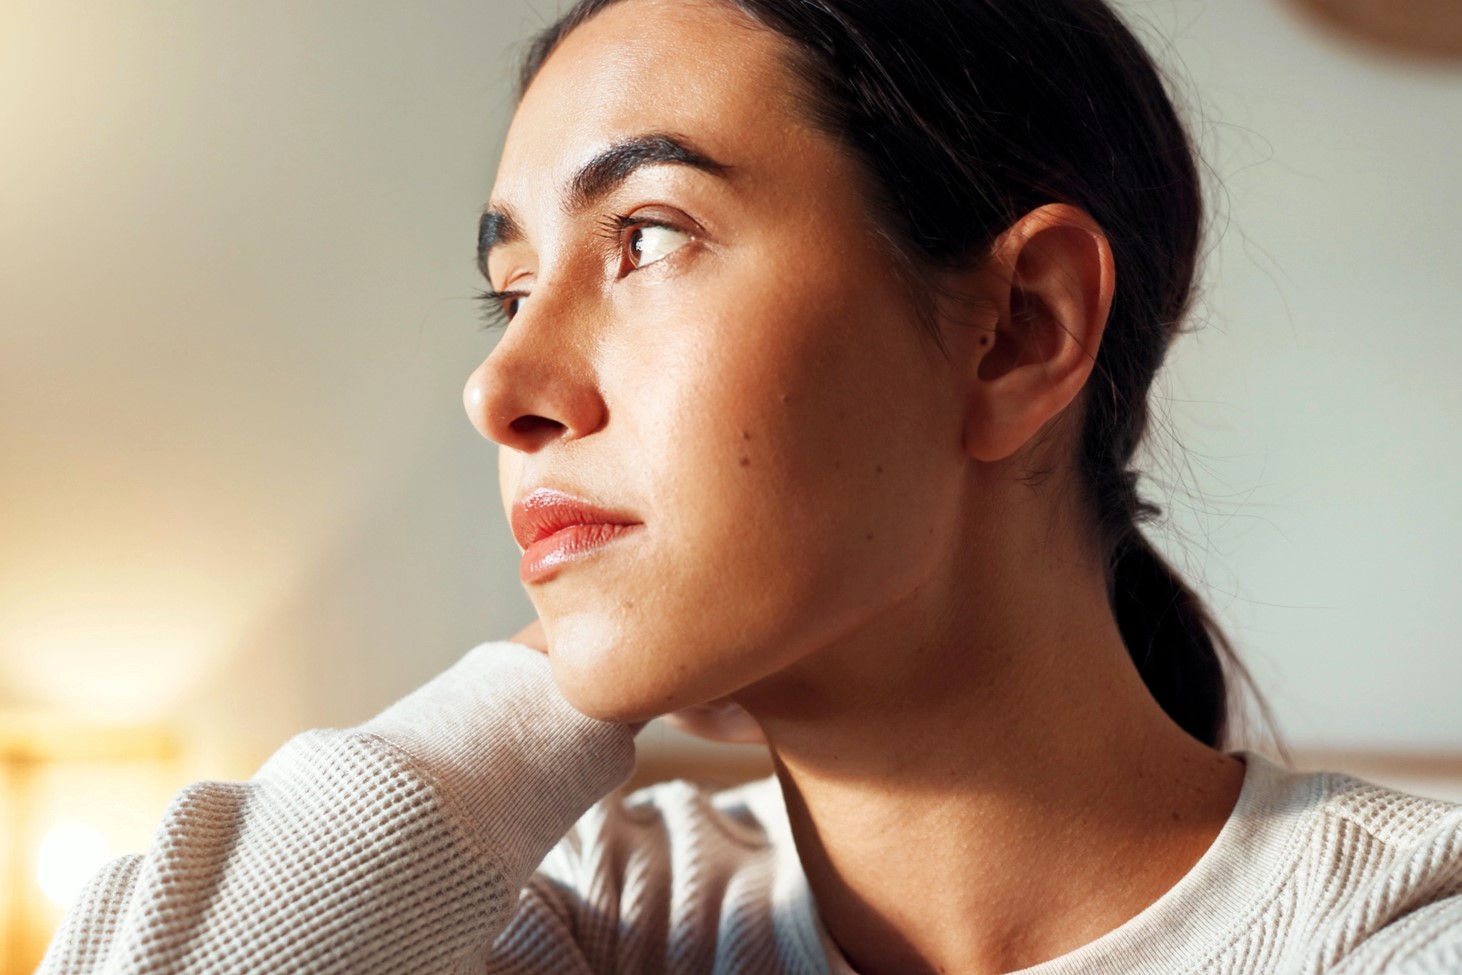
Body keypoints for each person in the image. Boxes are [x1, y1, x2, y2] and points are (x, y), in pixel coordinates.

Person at [38, 0, 1462, 972]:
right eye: (510, 289)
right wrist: (552, 682)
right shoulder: (588, 925)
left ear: (1016, 329)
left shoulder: (1400, 927)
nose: (500, 389)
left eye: (647, 237)